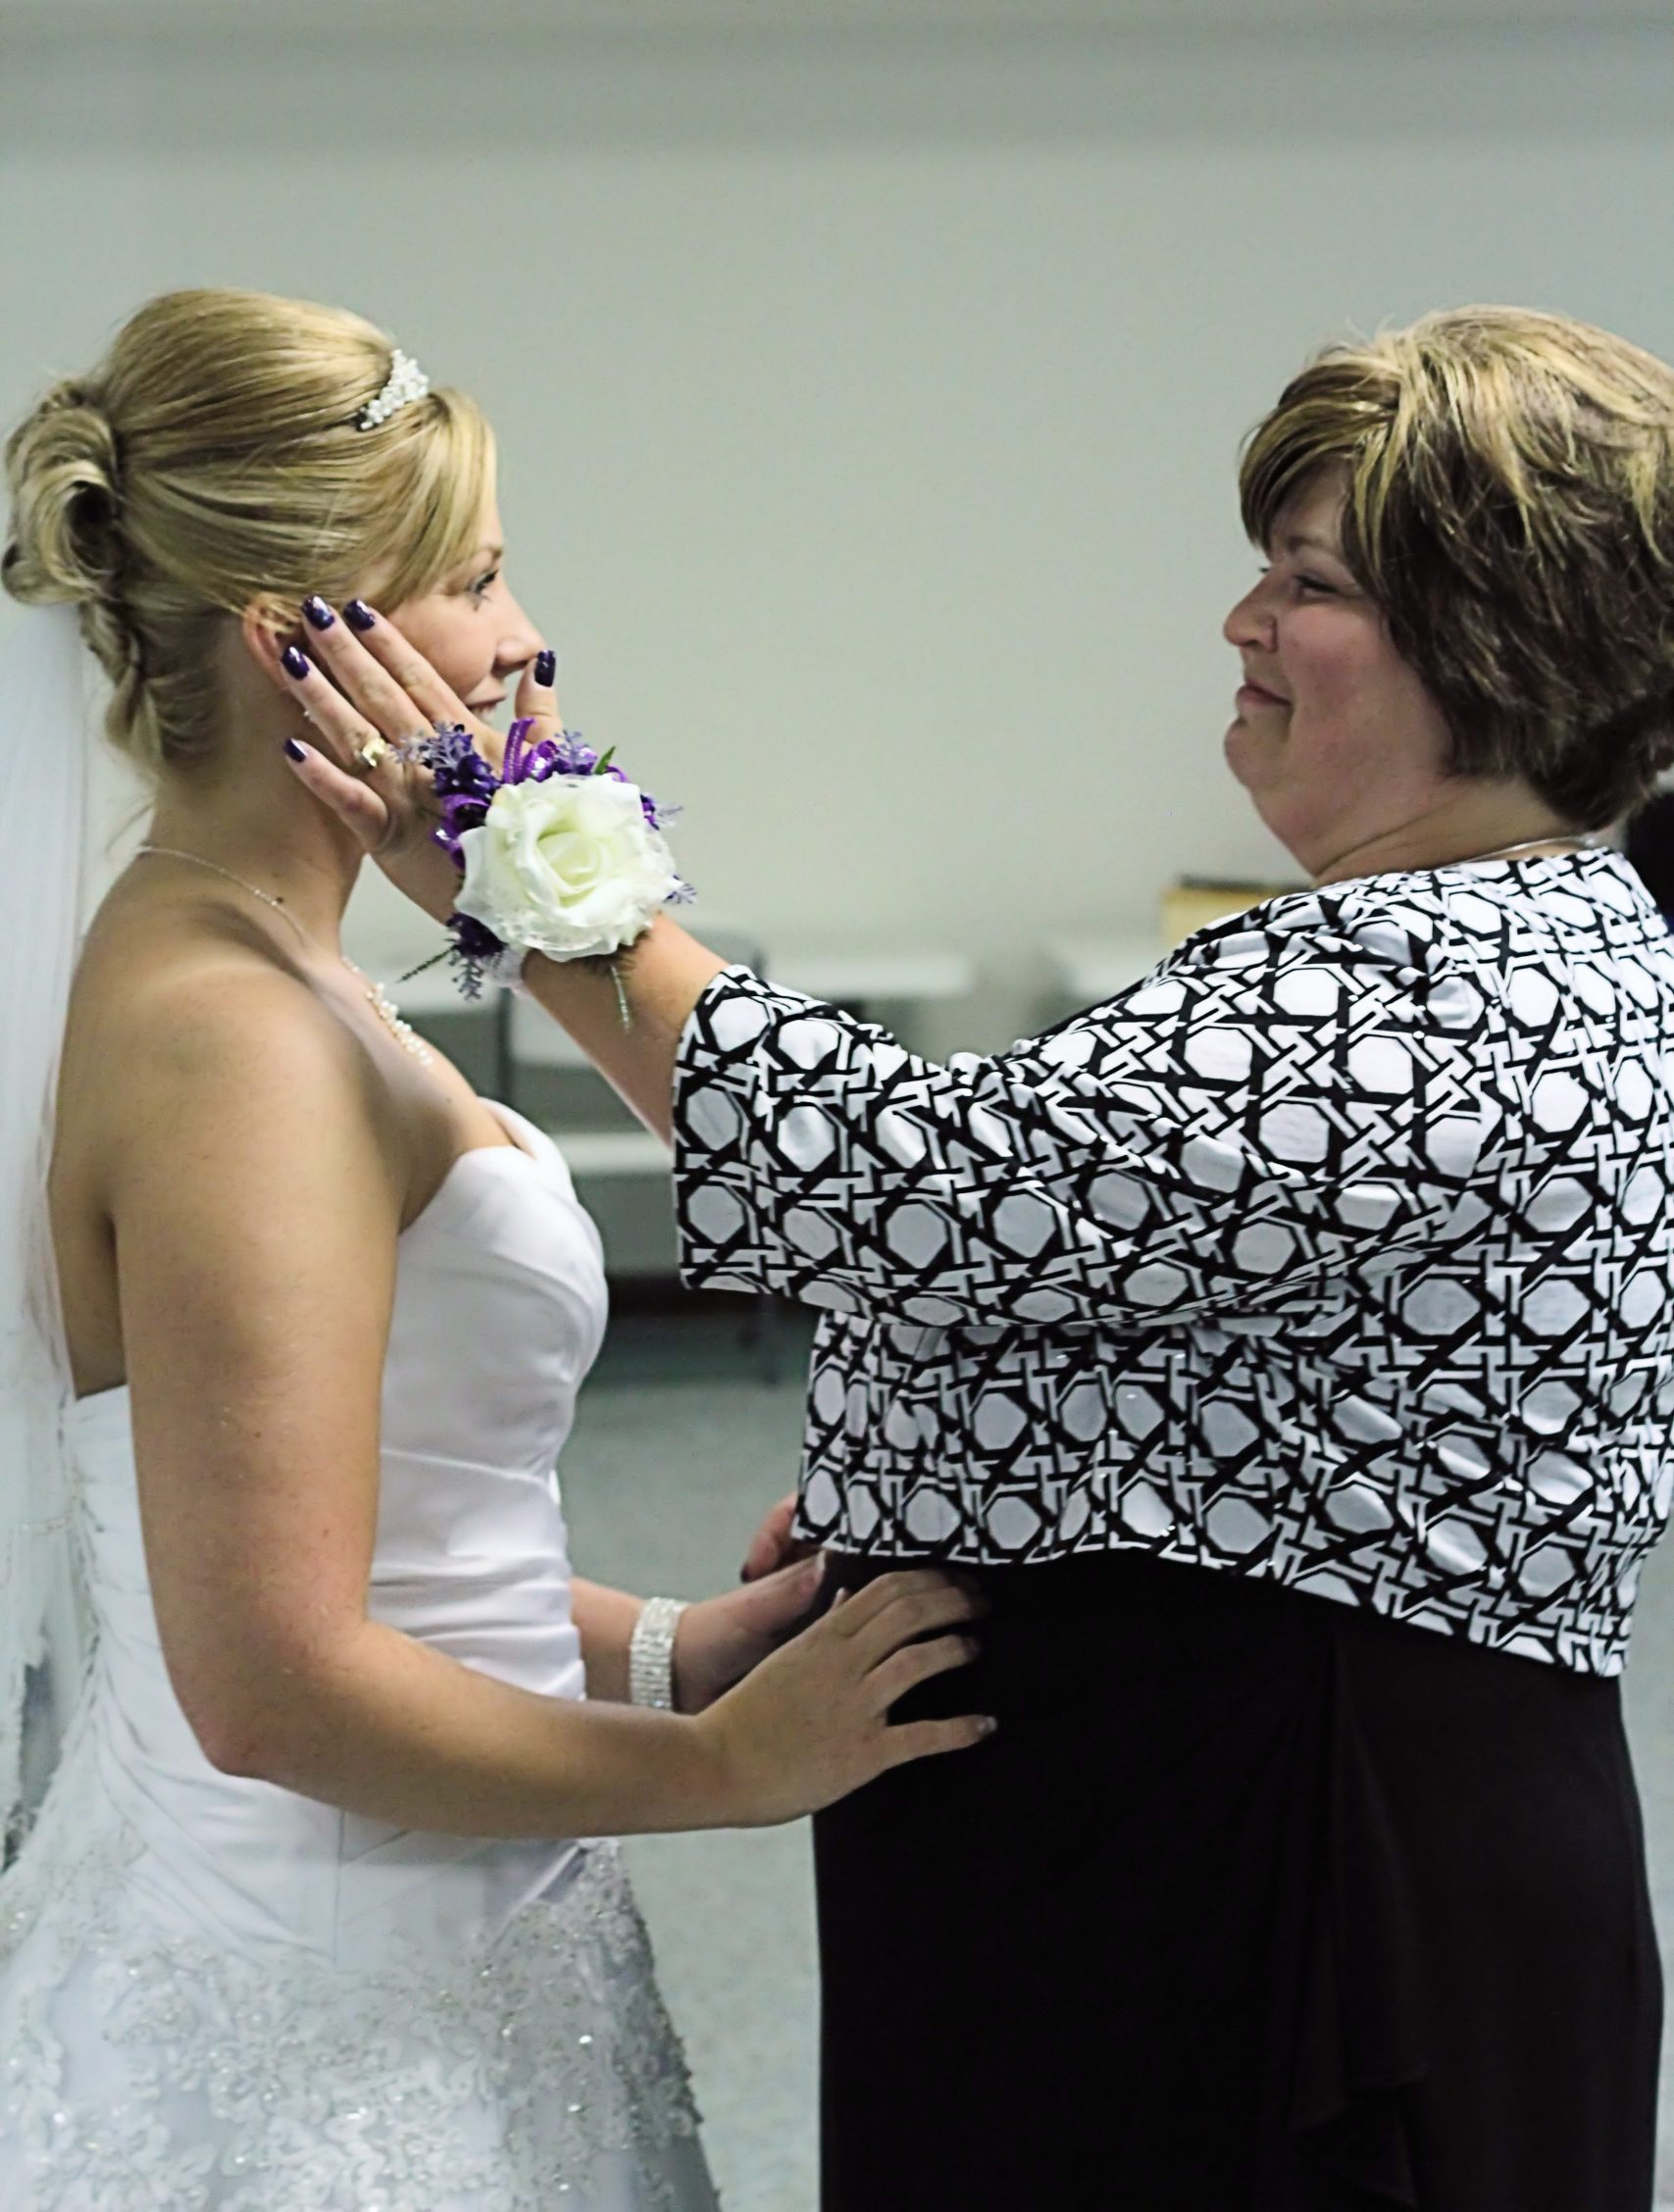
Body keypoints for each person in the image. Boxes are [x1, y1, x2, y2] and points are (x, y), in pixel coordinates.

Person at [292, 303, 1674, 2211]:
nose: (1238, 622)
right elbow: (1147, 1280)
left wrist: (516, 853)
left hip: (1291, 1864)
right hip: (1196, 1804)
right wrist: (926, 1457)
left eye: (1304, 579)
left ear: (1492, 644)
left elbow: (921, 1188)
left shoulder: (1447, 987)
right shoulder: (1473, 931)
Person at [0, 288, 991, 2212]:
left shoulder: (290, 963)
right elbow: (268, 1680)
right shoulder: (230, 1037)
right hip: (323, 2010)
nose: (529, 631)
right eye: (474, 572)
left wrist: (660, 1646)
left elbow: (395, 1545)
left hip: (452, 1926)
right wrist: (727, 1768)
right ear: (306, 640)